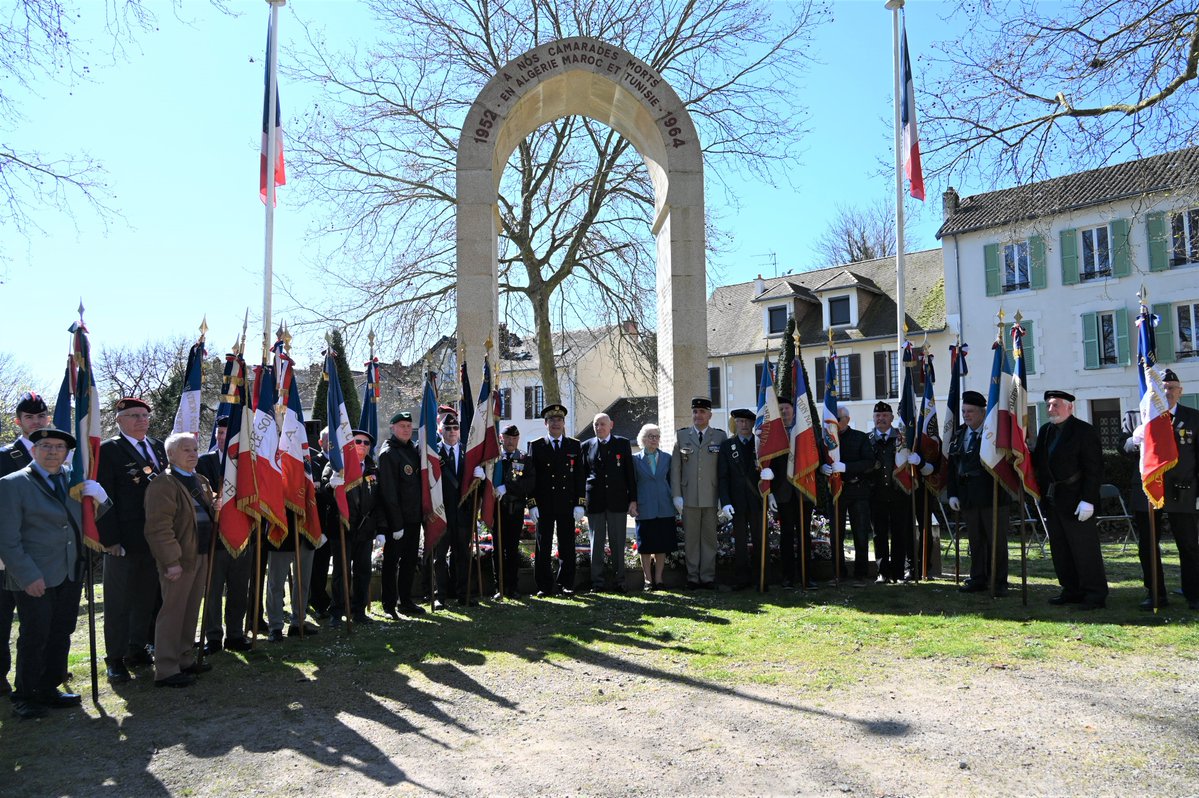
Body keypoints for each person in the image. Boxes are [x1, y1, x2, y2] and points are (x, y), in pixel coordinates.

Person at [0, 428, 109, 719]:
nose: (52, 451)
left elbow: (88, 520)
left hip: (70, 571)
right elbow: (7, 539)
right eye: (45, 446)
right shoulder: (12, 484)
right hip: (34, 575)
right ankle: (25, 694)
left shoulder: (72, 481)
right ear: (33, 450)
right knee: (35, 635)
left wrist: (102, 498)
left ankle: (49, 687)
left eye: (59, 447)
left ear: (66, 453)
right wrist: (26, 576)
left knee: (61, 632)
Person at [96, 397, 168, 683]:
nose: (141, 420)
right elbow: (103, 499)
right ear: (119, 420)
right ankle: (115, 658)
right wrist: (109, 540)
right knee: (118, 602)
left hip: (155, 537)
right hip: (123, 540)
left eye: (144, 415)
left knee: (146, 597)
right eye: (134, 416)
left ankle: (137, 649)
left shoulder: (159, 448)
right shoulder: (109, 450)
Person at [143, 433, 216, 687]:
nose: (193, 453)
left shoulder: (201, 480)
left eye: (195, 449)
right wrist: (171, 561)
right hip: (179, 560)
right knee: (173, 612)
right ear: (171, 455)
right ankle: (166, 667)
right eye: (186, 449)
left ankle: (185, 657)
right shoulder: (163, 484)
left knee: (191, 608)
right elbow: (158, 528)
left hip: (201, 554)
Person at [1124, 369, 1199, 610]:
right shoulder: (1136, 416)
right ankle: (1155, 593)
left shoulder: (1194, 417)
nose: (1166, 392)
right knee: (1148, 544)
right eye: (1162, 387)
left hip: (1183, 490)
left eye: (1171, 387)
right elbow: (1122, 448)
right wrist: (1136, 440)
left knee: (1188, 544)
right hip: (1147, 489)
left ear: (1180, 391)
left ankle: (1194, 593)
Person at [1032, 389, 1107, 609]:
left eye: (1055, 405)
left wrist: (1088, 500)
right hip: (1053, 500)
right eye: (1048, 405)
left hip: (1077, 500)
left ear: (1069, 407)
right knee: (1061, 549)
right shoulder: (1046, 431)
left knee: (1085, 550)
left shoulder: (1084, 431)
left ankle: (1095, 594)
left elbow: (1094, 469)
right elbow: (1039, 464)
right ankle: (1071, 590)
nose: (1050, 409)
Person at [0, 391, 53, 696]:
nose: (36, 422)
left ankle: (43, 672)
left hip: (47, 551)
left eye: (41, 416)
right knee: (3, 618)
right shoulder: (5, 457)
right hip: (10, 553)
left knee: (42, 621)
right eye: (29, 417)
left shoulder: (60, 453)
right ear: (17, 421)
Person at [196, 416, 252, 653]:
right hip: (214, 538)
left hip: (243, 536)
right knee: (213, 590)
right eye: (219, 433)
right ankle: (214, 637)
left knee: (239, 589)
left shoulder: (248, 463)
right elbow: (195, 497)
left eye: (227, 434)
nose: (222, 438)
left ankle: (236, 635)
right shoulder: (203, 462)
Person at [947, 390, 1011, 596]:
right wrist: (952, 494)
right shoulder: (959, 433)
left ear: (983, 412)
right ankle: (978, 578)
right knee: (975, 540)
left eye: (971, 411)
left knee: (996, 541)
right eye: (964, 411)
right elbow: (953, 466)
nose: (966, 415)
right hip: (968, 496)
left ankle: (998, 581)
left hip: (992, 495)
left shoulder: (995, 433)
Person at [527, 404, 586, 597]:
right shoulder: (536, 446)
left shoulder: (574, 445)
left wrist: (580, 503)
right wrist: (532, 504)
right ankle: (544, 586)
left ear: (563, 423)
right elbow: (531, 478)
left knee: (567, 546)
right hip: (544, 505)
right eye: (552, 420)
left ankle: (566, 584)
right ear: (545, 424)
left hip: (566, 504)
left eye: (559, 420)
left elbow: (579, 476)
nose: (556, 423)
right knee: (543, 547)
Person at [323, 430, 379, 625]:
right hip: (342, 527)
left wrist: (379, 530)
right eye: (358, 441)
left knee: (363, 571)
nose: (362, 445)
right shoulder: (336, 465)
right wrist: (331, 485)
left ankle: (359, 611)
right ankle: (337, 611)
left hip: (365, 529)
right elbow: (324, 490)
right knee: (341, 571)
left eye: (366, 443)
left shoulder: (373, 469)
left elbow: (378, 500)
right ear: (350, 444)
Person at [671, 397, 727, 590]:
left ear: (710, 415)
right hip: (689, 497)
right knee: (692, 540)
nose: (698, 415)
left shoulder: (720, 437)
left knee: (709, 539)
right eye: (695, 412)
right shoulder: (682, 436)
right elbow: (675, 468)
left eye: (702, 412)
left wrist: (722, 496)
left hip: (711, 496)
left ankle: (708, 577)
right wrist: (676, 495)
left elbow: (723, 470)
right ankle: (693, 578)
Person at [375, 411, 426, 617]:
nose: (406, 429)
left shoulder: (413, 450)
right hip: (396, 522)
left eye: (408, 425)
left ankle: (405, 601)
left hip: (414, 518)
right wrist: (396, 525)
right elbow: (389, 493)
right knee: (391, 563)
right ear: (392, 428)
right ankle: (389, 605)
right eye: (402, 426)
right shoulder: (388, 453)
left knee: (410, 561)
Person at [581, 413, 637, 592]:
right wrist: (581, 502)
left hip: (617, 501)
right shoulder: (586, 446)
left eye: (603, 424)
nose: (599, 428)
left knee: (618, 543)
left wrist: (633, 500)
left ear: (611, 425)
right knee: (596, 544)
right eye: (596, 424)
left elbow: (630, 474)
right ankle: (597, 582)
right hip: (595, 502)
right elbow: (582, 476)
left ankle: (619, 581)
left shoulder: (622, 443)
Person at [718, 409, 770, 589]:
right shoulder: (727, 446)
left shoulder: (761, 445)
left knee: (759, 540)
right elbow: (722, 477)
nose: (744, 425)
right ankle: (741, 578)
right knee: (739, 541)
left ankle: (760, 577)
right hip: (736, 501)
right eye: (740, 421)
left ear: (753, 424)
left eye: (747, 422)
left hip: (757, 500)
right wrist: (724, 501)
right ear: (735, 424)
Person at [827, 405, 875, 585]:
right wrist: (823, 468)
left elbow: (869, 462)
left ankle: (861, 574)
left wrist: (846, 467)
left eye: (837, 419)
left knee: (860, 533)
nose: (834, 423)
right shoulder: (827, 440)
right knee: (835, 534)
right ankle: (838, 573)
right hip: (836, 491)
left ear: (847, 419)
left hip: (858, 490)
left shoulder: (860, 437)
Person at [771, 396, 814, 589]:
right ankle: (788, 576)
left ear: (793, 411)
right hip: (783, 493)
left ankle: (806, 576)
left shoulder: (803, 432)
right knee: (786, 535)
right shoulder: (773, 435)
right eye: (780, 409)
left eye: (787, 408)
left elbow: (815, 455)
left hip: (803, 491)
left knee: (805, 535)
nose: (784, 412)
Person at [868, 401, 913, 584]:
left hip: (898, 494)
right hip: (876, 494)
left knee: (899, 533)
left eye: (885, 415)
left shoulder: (902, 439)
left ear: (892, 418)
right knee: (879, 534)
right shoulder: (868, 439)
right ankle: (882, 572)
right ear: (873, 418)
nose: (881, 419)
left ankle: (898, 572)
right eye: (877, 416)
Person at [433, 415, 474, 608]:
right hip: (440, 511)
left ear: (459, 430)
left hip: (462, 512)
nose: (451, 432)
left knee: (462, 556)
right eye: (447, 428)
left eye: (455, 428)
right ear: (440, 430)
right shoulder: (434, 452)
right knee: (439, 557)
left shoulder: (469, 452)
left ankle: (463, 594)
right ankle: (440, 596)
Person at [491, 424, 536, 600]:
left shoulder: (524, 459)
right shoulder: (494, 459)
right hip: (497, 510)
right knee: (497, 549)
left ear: (518, 439)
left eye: (514, 438)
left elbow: (529, 484)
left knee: (512, 549)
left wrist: (507, 487)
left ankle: (513, 587)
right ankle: (499, 586)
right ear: (501, 438)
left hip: (515, 510)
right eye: (507, 438)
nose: (510, 442)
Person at [631, 424, 675, 590]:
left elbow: (671, 480)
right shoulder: (635, 460)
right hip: (645, 506)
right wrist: (632, 503)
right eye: (650, 436)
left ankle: (659, 579)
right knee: (646, 546)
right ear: (642, 439)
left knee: (661, 545)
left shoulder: (667, 458)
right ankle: (648, 580)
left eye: (656, 436)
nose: (654, 439)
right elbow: (632, 483)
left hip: (664, 506)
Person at [307, 426, 336, 619]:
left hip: (338, 523)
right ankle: (317, 601)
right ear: (320, 443)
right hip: (320, 524)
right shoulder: (314, 464)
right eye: (328, 440)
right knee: (319, 565)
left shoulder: (342, 462)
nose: (332, 444)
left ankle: (336, 600)